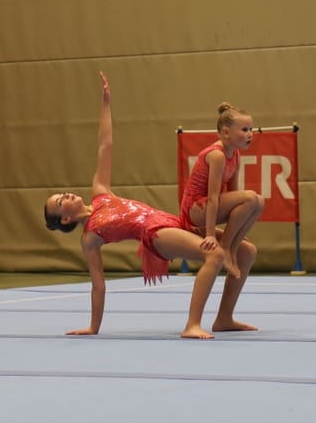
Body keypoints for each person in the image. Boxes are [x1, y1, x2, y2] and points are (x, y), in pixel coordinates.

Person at [44, 72, 258, 339]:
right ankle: (192, 324)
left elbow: (105, 145)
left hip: (173, 222)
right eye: (59, 201)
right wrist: (93, 327)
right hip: (154, 235)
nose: (66, 195)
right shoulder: (89, 238)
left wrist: (106, 105)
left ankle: (224, 318)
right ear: (65, 219)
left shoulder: (100, 193)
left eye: (62, 193)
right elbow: (98, 285)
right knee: (213, 255)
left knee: (247, 251)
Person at [179, 103, 265, 279]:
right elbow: (212, 198)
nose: (250, 134)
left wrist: (238, 233)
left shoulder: (235, 154)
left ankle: (232, 248)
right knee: (250, 197)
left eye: (251, 129)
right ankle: (225, 248)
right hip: (194, 211)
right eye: (244, 129)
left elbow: (234, 198)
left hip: (208, 208)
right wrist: (211, 235)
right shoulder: (216, 155)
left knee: (258, 201)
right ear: (226, 133)